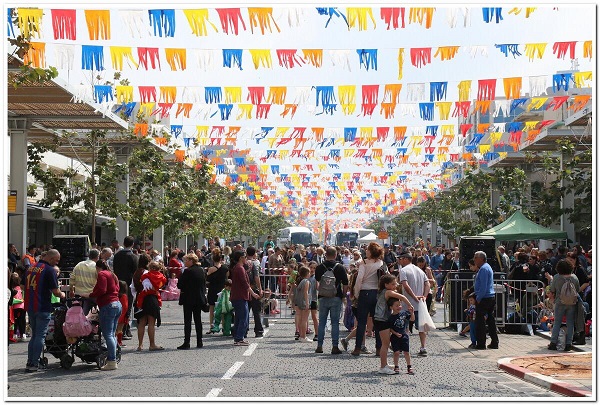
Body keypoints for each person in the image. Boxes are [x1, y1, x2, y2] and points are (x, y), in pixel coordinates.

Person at [24, 249, 65, 372]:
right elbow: (55, 291)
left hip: (30, 306)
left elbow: (22, 286)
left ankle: (30, 361)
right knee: (40, 336)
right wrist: (62, 294)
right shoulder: (49, 270)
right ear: (51, 258)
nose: (57, 262)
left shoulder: (31, 267)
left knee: (34, 335)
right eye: (56, 260)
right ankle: (34, 364)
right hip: (43, 306)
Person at [373, 274, 412, 375]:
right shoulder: (388, 292)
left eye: (396, 283)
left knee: (385, 343)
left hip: (381, 319)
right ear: (386, 285)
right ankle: (382, 367)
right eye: (393, 284)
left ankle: (385, 364)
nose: (395, 285)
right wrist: (410, 305)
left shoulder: (382, 291)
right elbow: (402, 297)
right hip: (382, 320)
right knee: (385, 344)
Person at [87, 260, 121, 371]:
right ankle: (114, 357)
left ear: (97, 268)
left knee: (108, 335)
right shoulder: (112, 274)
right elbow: (116, 289)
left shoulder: (102, 274)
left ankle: (112, 361)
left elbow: (102, 289)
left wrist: (91, 295)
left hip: (108, 305)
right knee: (113, 334)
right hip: (117, 304)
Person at [351, 242, 383, 356]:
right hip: (377, 294)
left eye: (368, 249)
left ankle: (358, 348)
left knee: (361, 322)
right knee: (377, 322)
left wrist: (356, 293)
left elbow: (359, 279)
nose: (366, 251)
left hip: (365, 293)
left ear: (371, 251)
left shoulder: (364, 263)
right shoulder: (381, 263)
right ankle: (379, 348)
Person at [314, 246, 349, 355]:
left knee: (322, 322)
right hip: (336, 297)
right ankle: (335, 346)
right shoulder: (340, 267)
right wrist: (343, 295)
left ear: (325, 255)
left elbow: (317, 283)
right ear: (335, 255)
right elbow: (346, 284)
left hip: (323, 297)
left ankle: (319, 346)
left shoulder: (319, 267)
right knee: (335, 323)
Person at [398, 252, 430, 357]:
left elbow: (405, 285)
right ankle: (423, 347)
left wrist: (413, 296)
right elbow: (427, 284)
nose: (399, 261)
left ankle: (404, 347)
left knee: (405, 326)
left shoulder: (403, 270)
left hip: (408, 303)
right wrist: (424, 296)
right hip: (420, 303)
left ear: (406, 259)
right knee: (421, 327)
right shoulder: (420, 270)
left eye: (401, 259)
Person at [547, 260, 581, 352]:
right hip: (572, 303)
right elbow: (577, 289)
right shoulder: (574, 277)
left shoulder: (557, 277)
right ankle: (568, 344)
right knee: (570, 323)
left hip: (559, 302)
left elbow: (552, 289)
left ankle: (553, 343)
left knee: (557, 322)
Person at [177, 253, 207, 350]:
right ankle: (199, 341)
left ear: (191, 261)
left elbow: (180, 285)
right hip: (198, 298)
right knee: (198, 320)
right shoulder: (201, 270)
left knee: (188, 321)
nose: (185, 262)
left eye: (186, 260)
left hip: (188, 299)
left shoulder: (187, 271)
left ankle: (187, 342)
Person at [230, 250, 260, 346]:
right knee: (244, 318)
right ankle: (239, 338)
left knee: (239, 318)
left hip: (237, 296)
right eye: (244, 257)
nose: (246, 258)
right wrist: (253, 294)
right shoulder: (240, 269)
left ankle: (238, 337)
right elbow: (245, 284)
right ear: (240, 258)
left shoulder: (238, 268)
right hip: (240, 296)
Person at [135, 261, 166, 351]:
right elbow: (160, 286)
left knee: (142, 323)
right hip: (153, 298)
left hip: (143, 298)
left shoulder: (145, 276)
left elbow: (141, 282)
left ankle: (140, 345)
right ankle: (152, 344)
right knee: (151, 323)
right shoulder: (161, 277)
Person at [112, 236, 138, 341]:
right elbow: (135, 272)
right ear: (132, 245)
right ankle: (125, 329)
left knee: (118, 306)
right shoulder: (133, 257)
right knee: (127, 307)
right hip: (129, 285)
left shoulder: (117, 255)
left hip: (118, 284)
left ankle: (118, 329)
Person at [472, 251, 499, 350]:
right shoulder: (487, 267)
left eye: (476, 257)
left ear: (481, 259)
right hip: (490, 297)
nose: (474, 259)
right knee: (491, 320)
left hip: (484, 298)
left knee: (480, 322)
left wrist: (478, 298)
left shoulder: (483, 269)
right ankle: (494, 341)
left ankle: (481, 343)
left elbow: (483, 286)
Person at [388, 297, 415, 375]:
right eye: (396, 305)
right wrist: (395, 333)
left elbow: (412, 319)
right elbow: (390, 328)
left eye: (400, 305)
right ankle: (396, 366)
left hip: (404, 335)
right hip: (395, 336)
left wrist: (412, 313)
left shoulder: (404, 313)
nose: (399, 307)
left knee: (406, 352)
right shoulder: (390, 317)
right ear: (391, 307)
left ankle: (409, 366)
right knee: (396, 352)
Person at [69, 248, 100, 315]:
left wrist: (71, 290)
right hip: (92, 294)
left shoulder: (79, 265)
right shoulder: (96, 267)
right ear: (98, 257)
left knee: (80, 315)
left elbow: (72, 279)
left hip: (79, 294)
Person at [206, 248, 229, 333]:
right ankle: (224, 326)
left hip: (212, 290)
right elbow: (227, 278)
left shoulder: (211, 269)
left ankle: (212, 326)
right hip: (222, 290)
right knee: (222, 308)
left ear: (213, 259)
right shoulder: (225, 268)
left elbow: (207, 280)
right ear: (221, 259)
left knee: (212, 309)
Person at [246, 246, 264, 338]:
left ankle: (244, 329)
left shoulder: (244, 262)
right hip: (253, 288)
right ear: (254, 254)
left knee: (246, 310)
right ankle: (258, 330)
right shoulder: (255, 262)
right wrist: (260, 289)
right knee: (256, 311)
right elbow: (257, 277)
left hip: (245, 288)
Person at [294, 266, 312, 342]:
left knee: (301, 320)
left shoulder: (301, 281)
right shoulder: (306, 281)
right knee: (304, 320)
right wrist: (307, 304)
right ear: (307, 273)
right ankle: (303, 336)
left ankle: (301, 335)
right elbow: (306, 293)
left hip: (299, 301)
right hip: (304, 302)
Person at [116, 281, 129, 348]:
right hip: (122, 315)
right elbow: (125, 307)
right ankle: (119, 342)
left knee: (116, 330)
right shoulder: (124, 296)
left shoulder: (117, 295)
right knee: (120, 330)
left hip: (116, 314)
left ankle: (117, 342)